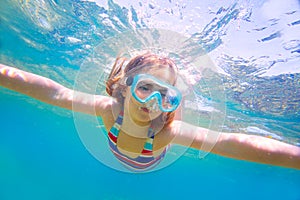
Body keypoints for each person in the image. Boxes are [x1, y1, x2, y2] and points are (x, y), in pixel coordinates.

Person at [0, 53, 299, 171]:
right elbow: (56, 92)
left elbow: (226, 142)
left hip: (155, 148)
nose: (153, 100)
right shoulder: (109, 110)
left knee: (170, 115)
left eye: (165, 93)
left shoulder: (166, 132)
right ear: (124, 86)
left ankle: (183, 90)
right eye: (145, 88)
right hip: (132, 140)